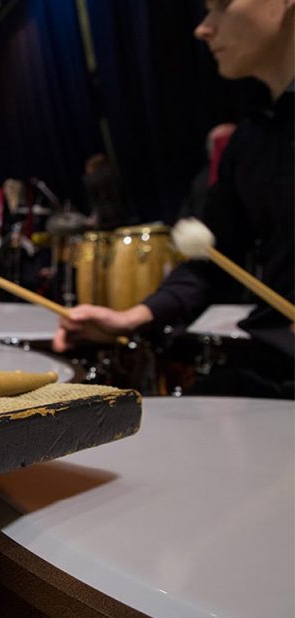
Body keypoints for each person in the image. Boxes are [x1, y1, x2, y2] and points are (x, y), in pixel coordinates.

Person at [55, 0, 294, 398]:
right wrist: (131, 317)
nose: (203, 28)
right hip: (272, 371)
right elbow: (212, 263)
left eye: (220, 6)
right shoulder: (251, 142)